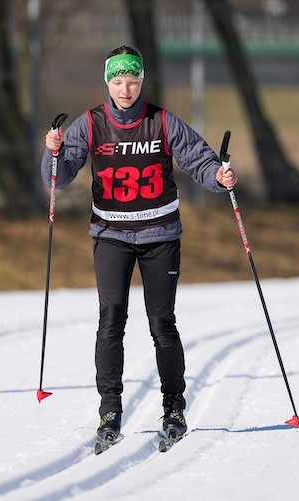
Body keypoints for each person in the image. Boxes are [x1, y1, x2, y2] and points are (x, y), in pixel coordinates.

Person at [41, 45, 237, 442]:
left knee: (162, 323)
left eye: (132, 81)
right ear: (107, 83)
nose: (125, 89)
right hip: (111, 235)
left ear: (141, 81)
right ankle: (109, 411)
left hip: (160, 234)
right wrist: (53, 153)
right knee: (111, 319)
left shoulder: (162, 121)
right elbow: (57, 178)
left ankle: (174, 407)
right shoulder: (90, 123)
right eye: (118, 81)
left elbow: (198, 159)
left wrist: (219, 177)